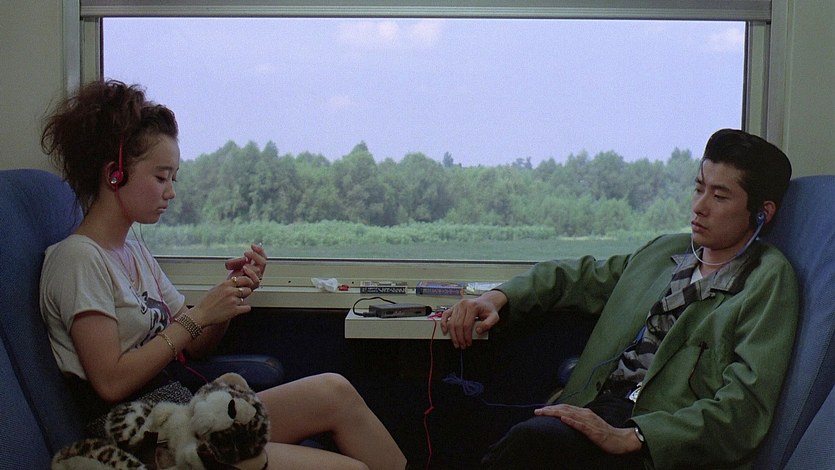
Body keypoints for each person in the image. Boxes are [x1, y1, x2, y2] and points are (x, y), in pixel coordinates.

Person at [40, 79, 407, 470]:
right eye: (161, 178)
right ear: (114, 174)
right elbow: (110, 382)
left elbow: (197, 346)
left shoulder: (134, 252)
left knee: (334, 391)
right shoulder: (78, 259)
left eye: (174, 179)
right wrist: (198, 315)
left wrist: (230, 296)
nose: (171, 192)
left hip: (185, 414)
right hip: (149, 440)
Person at [440, 129, 799, 469]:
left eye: (719, 197)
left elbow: (744, 409)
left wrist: (635, 437)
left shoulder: (767, 280)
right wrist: (498, 297)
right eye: (699, 188)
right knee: (475, 424)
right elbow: (578, 278)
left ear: (762, 213)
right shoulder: (665, 252)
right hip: (600, 406)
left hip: (658, 441)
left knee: (531, 443)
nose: (699, 207)